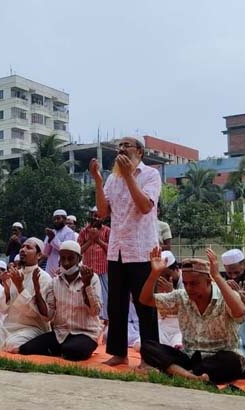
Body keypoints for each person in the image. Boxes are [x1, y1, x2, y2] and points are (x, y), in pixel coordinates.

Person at [90, 136, 161, 367]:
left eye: (126, 146)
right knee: (116, 305)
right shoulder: (113, 178)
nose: (121, 150)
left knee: (145, 304)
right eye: (118, 147)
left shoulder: (151, 174)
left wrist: (129, 175)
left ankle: (149, 358)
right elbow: (102, 212)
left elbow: (144, 207)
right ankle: (119, 353)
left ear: (139, 152)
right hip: (116, 249)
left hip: (142, 250)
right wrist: (98, 181)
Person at [139, 248, 245, 383]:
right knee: (148, 347)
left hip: (218, 358)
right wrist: (154, 274)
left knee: (232, 361)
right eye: (185, 283)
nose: (188, 288)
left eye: (194, 284)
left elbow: (240, 312)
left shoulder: (224, 295)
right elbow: (145, 300)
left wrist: (218, 276)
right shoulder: (181, 296)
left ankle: (177, 373)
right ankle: (192, 377)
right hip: (189, 357)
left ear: (208, 281)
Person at [19, 240, 102, 361]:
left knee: (73, 351)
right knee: (26, 349)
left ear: (79, 259)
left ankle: (64, 350)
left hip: (86, 333)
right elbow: (48, 315)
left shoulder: (92, 277)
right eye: (63, 258)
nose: (66, 263)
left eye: (70, 258)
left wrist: (87, 285)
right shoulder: (55, 282)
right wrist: (37, 290)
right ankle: (61, 350)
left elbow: (95, 312)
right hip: (61, 333)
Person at [0, 238, 53, 352]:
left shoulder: (44, 278)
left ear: (38, 255)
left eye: (28, 248)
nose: (23, 250)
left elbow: (34, 313)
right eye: (22, 246)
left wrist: (20, 287)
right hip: (10, 326)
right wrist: (7, 288)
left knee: (13, 346)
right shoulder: (15, 274)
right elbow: (3, 310)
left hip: (32, 327)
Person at [77, 207, 111, 321]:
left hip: (103, 270)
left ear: (103, 218)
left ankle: (104, 319)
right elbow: (78, 251)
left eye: (98, 216)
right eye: (94, 215)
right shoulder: (83, 231)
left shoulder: (107, 231)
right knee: (88, 294)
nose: (96, 218)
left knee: (104, 296)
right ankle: (91, 319)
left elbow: (111, 251)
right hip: (88, 271)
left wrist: (98, 240)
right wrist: (91, 241)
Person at [154, 250, 183, 348]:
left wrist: (172, 291)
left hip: (183, 327)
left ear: (176, 269)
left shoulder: (188, 281)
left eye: (167, 275)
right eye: (160, 276)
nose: (164, 279)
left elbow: (191, 305)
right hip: (164, 325)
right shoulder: (157, 282)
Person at [42, 210, 77, 276]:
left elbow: (65, 249)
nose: (56, 221)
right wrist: (49, 239)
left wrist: (53, 238)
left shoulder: (69, 232)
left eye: (58, 218)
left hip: (63, 264)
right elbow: (46, 253)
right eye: (54, 219)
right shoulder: (52, 232)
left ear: (64, 220)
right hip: (50, 265)